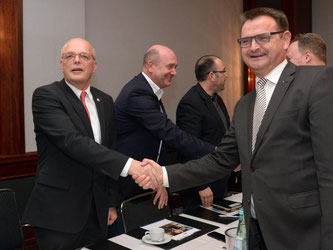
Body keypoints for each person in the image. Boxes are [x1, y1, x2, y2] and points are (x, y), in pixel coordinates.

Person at [135, 7, 333, 250]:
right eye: (246, 41)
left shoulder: (316, 81)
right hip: (256, 232)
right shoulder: (245, 104)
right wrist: (163, 175)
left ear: (285, 39)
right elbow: (220, 160)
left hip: (302, 234)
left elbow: (329, 171)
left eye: (263, 37)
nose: (253, 47)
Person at [22, 38, 153, 249]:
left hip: (97, 211)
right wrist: (132, 166)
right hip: (59, 213)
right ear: (61, 64)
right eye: (69, 56)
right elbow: (73, 142)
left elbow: (109, 149)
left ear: (94, 65)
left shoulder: (105, 101)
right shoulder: (46, 96)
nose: (77, 61)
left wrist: (110, 202)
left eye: (84, 56)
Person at [111, 45, 215, 234]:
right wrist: (217, 153)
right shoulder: (137, 93)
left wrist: (160, 180)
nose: (174, 72)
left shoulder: (150, 93)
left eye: (175, 67)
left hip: (146, 184)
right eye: (170, 67)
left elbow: (158, 142)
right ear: (150, 66)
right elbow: (170, 133)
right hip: (128, 189)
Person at [176, 55, 230, 209]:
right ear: (212, 75)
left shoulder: (216, 99)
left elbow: (222, 135)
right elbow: (187, 148)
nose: (226, 75)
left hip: (219, 179)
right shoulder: (191, 103)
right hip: (201, 187)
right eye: (223, 71)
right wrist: (201, 185)